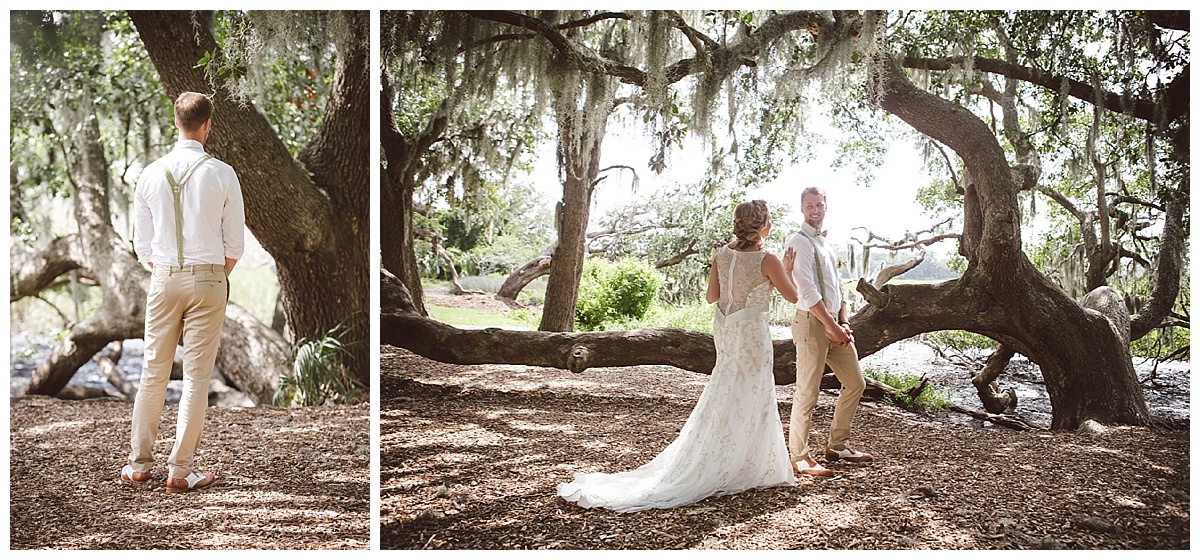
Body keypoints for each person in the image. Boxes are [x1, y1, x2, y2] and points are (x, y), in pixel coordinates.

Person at [558, 200, 799, 512]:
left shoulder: (722, 254)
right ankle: (742, 464)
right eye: (769, 221)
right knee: (752, 392)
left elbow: (712, 296)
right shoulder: (768, 259)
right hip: (751, 334)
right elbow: (793, 296)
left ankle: (729, 459)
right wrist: (788, 271)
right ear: (763, 225)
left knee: (727, 390)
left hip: (725, 330)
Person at [121, 91, 245, 493]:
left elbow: (142, 246)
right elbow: (235, 245)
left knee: (152, 372)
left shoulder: (149, 174)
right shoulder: (223, 173)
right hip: (209, 278)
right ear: (207, 125)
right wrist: (212, 275)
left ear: (177, 122)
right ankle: (180, 471)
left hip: (164, 278)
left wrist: (170, 272)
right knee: (195, 377)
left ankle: (138, 465)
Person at [784, 186, 872, 478]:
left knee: (855, 383)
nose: (815, 210)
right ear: (802, 208)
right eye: (810, 205)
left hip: (834, 323)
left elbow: (838, 286)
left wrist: (844, 322)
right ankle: (799, 456)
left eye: (820, 205)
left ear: (825, 207)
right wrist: (830, 326)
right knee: (808, 392)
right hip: (811, 323)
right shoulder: (798, 242)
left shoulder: (827, 244)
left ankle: (838, 446)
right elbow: (807, 291)